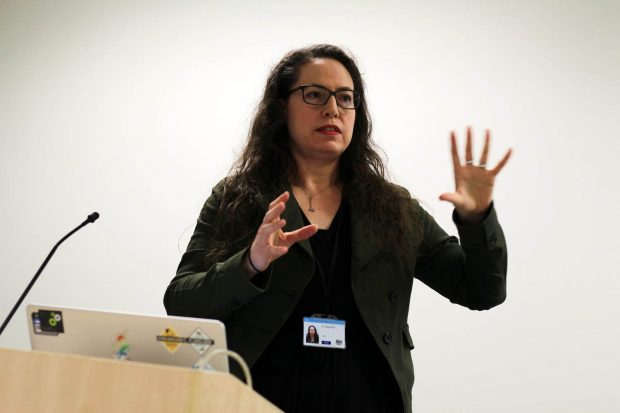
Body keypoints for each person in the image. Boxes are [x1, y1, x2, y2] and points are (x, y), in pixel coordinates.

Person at [164, 44, 511, 413]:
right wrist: (251, 262)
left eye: (346, 98)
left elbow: (481, 290)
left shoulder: (394, 208)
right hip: (259, 401)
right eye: (314, 95)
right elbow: (182, 302)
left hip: (369, 400)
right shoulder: (238, 199)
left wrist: (477, 220)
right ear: (281, 107)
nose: (332, 108)